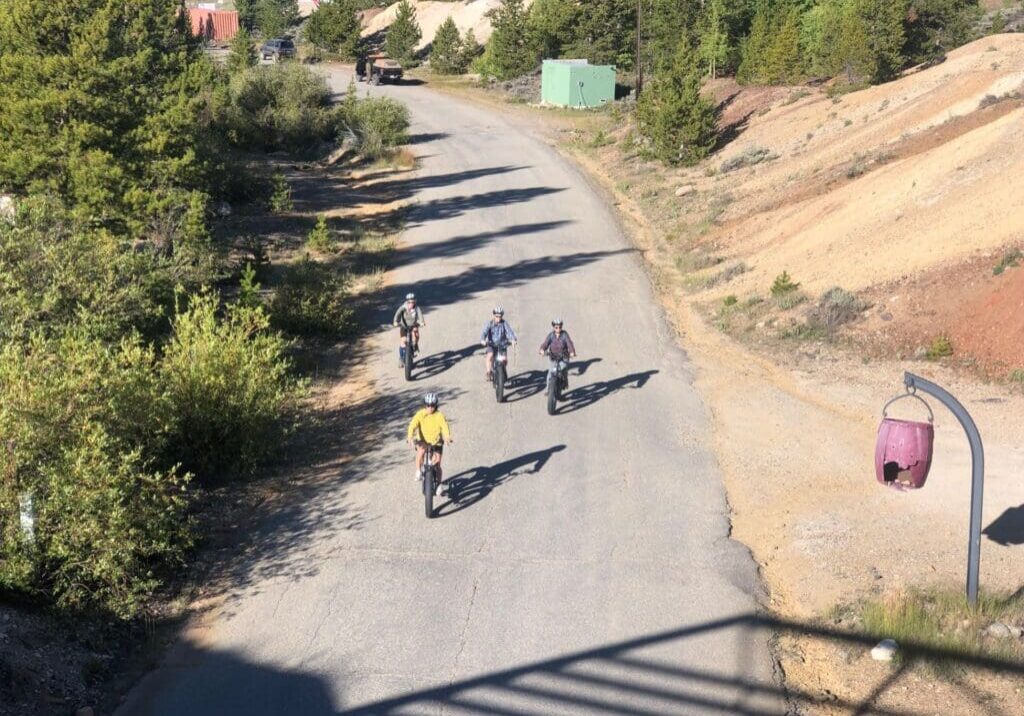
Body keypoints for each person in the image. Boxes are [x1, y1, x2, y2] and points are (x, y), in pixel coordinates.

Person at [406, 393, 453, 496]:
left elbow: (445, 426)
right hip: (422, 440)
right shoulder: (420, 414)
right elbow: (412, 425)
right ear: (425, 405)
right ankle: (418, 471)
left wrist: (447, 437)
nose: (430, 408)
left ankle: (439, 485)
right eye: (427, 405)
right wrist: (410, 436)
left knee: (437, 464)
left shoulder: (439, 415)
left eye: (432, 405)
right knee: (421, 451)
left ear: (436, 405)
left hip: (436, 442)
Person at [480, 306, 518, 380]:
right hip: (492, 344)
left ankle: (503, 370)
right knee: (490, 355)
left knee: (505, 359)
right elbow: (484, 332)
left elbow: (509, 332)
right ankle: (488, 372)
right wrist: (483, 340)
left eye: (500, 316)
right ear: (494, 315)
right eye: (497, 316)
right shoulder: (489, 323)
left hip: (502, 345)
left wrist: (513, 339)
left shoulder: (504, 323)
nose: (498, 318)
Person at [538, 319, 576, 392]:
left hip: (563, 357)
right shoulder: (551, 335)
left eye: (560, 327)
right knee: (550, 374)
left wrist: (572, 352)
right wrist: (542, 350)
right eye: (556, 327)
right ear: (553, 327)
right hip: (553, 357)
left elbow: (569, 343)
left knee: (563, 370)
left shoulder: (564, 334)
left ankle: (565, 383)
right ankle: (548, 390)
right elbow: (545, 343)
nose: (558, 329)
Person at [393, 293, 425, 368]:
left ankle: (414, 345)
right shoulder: (403, 307)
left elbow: (420, 316)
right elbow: (397, 314)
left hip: (413, 325)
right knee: (403, 342)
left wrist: (422, 322)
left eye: (413, 302)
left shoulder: (417, 308)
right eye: (409, 302)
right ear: (407, 302)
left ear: (415, 301)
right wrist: (395, 321)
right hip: (404, 326)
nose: (411, 304)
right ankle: (401, 358)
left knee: (416, 335)